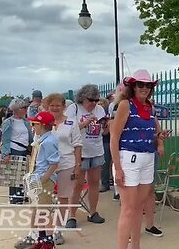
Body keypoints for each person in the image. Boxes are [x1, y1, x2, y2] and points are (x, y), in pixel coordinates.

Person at [110, 69, 167, 249]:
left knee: (138, 207)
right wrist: (118, 168)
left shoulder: (150, 107)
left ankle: (136, 245)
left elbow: (153, 132)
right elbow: (114, 137)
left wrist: (159, 139)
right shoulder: (126, 105)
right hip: (128, 159)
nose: (144, 88)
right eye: (140, 84)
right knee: (127, 209)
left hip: (147, 158)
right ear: (133, 86)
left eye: (147, 85)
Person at [65, 84, 106, 227]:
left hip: (96, 150)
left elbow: (104, 130)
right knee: (77, 184)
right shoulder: (74, 109)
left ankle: (93, 212)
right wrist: (84, 123)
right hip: (79, 152)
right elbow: (68, 129)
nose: (94, 103)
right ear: (83, 98)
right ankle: (72, 216)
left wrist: (105, 125)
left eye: (96, 100)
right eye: (91, 100)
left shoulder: (100, 109)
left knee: (94, 183)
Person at [47, 93, 83, 245]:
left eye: (58, 105)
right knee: (45, 200)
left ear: (63, 106)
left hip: (66, 164)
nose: (55, 108)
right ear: (47, 106)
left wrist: (78, 165)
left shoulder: (71, 122)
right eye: (52, 105)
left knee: (63, 199)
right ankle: (43, 231)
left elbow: (77, 144)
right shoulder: (43, 122)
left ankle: (58, 230)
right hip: (47, 167)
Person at [26, 111, 60, 249]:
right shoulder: (41, 140)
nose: (33, 127)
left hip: (43, 180)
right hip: (36, 178)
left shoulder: (49, 142)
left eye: (35, 124)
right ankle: (41, 238)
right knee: (39, 210)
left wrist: (44, 179)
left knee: (45, 212)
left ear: (43, 125)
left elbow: (54, 163)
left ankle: (49, 241)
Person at [1, 98, 33, 204]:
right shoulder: (8, 122)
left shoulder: (26, 122)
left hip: (24, 149)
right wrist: (6, 153)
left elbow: (29, 136)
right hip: (14, 149)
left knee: (23, 174)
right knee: (15, 175)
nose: (25, 109)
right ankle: (15, 197)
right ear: (17, 109)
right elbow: (5, 139)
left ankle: (21, 195)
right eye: (24, 107)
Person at [98, 98, 112, 193]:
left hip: (114, 141)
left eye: (102, 103)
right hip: (105, 141)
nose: (100, 105)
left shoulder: (109, 115)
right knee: (105, 164)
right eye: (98, 103)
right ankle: (105, 183)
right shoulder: (98, 117)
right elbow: (104, 133)